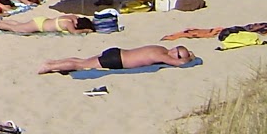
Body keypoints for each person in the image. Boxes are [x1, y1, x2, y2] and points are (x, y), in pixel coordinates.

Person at [38, 44, 197, 75]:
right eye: (177, 52)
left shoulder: (161, 48)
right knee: (81, 65)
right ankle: (50, 67)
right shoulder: (161, 55)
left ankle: (53, 62)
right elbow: (180, 64)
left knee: (82, 61)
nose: (174, 54)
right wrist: (190, 57)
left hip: (117, 52)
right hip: (116, 60)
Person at [0, 13, 97, 35]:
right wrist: (86, 30)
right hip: (39, 26)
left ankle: (1, 22)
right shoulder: (69, 24)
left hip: (42, 20)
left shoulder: (72, 17)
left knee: (19, 24)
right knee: (14, 28)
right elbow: (74, 32)